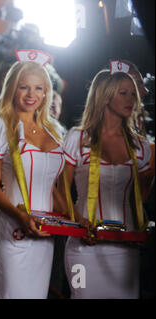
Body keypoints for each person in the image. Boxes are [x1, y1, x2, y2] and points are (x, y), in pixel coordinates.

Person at [61, 65, 151, 298]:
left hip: (126, 249)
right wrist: (79, 221)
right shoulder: (77, 138)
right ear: (105, 95)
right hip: (83, 248)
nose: (131, 99)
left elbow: (138, 199)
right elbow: (58, 191)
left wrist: (143, 227)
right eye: (123, 93)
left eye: (133, 93)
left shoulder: (140, 146)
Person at [0, 50, 65, 299]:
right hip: (12, 231)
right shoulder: (0, 124)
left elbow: (53, 189)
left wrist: (75, 220)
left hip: (45, 237)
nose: (31, 95)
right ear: (12, 88)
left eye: (38, 88)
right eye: (24, 87)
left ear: (46, 92)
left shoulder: (55, 131)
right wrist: (20, 216)